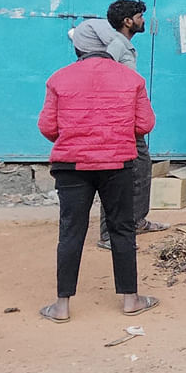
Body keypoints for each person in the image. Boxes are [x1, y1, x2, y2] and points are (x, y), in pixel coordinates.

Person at [38, 32, 159, 322]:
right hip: (117, 163)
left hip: (72, 165)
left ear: (78, 48)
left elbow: (47, 127)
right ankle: (131, 299)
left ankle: (61, 305)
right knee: (122, 228)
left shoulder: (59, 78)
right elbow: (145, 123)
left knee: (70, 231)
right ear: (108, 46)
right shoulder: (132, 79)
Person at [75, 1, 170, 250]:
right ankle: (109, 234)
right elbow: (105, 78)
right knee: (117, 176)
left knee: (140, 168)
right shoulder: (116, 46)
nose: (143, 20)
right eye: (139, 16)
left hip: (130, 121)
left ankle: (136, 220)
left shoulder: (126, 46)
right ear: (128, 21)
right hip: (118, 122)